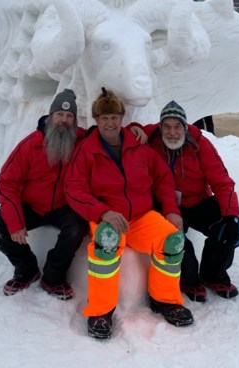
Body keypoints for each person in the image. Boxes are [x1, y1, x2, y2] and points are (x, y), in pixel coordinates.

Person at [66, 88, 192, 339]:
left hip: (142, 216)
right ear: (96, 120)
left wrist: (170, 210)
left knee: (173, 240)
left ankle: (166, 300)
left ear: (122, 118)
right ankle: (101, 312)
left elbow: (163, 179)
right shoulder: (87, 150)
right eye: (104, 118)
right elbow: (74, 189)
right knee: (106, 244)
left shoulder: (139, 146)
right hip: (109, 218)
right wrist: (102, 212)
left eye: (114, 117)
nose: (109, 123)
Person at [0, 89, 88, 301]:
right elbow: (6, 183)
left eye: (70, 116)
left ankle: (53, 277)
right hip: (32, 206)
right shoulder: (30, 145)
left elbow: (110, 134)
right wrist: (15, 221)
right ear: (51, 117)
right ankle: (26, 269)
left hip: (64, 206)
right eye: (60, 114)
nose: (64, 120)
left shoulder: (82, 140)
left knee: (77, 228)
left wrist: (136, 130)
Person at [142, 101, 239, 302]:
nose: (172, 132)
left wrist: (232, 215)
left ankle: (213, 274)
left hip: (197, 202)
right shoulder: (152, 139)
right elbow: (127, 131)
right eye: (167, 127)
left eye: (177, 126)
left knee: (230, 228)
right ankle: (189, 280)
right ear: (160, 127)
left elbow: (222, 181)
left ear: (185, 127)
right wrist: (137, 128)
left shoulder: (200, 144)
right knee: (177, 239)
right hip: (166, 205)